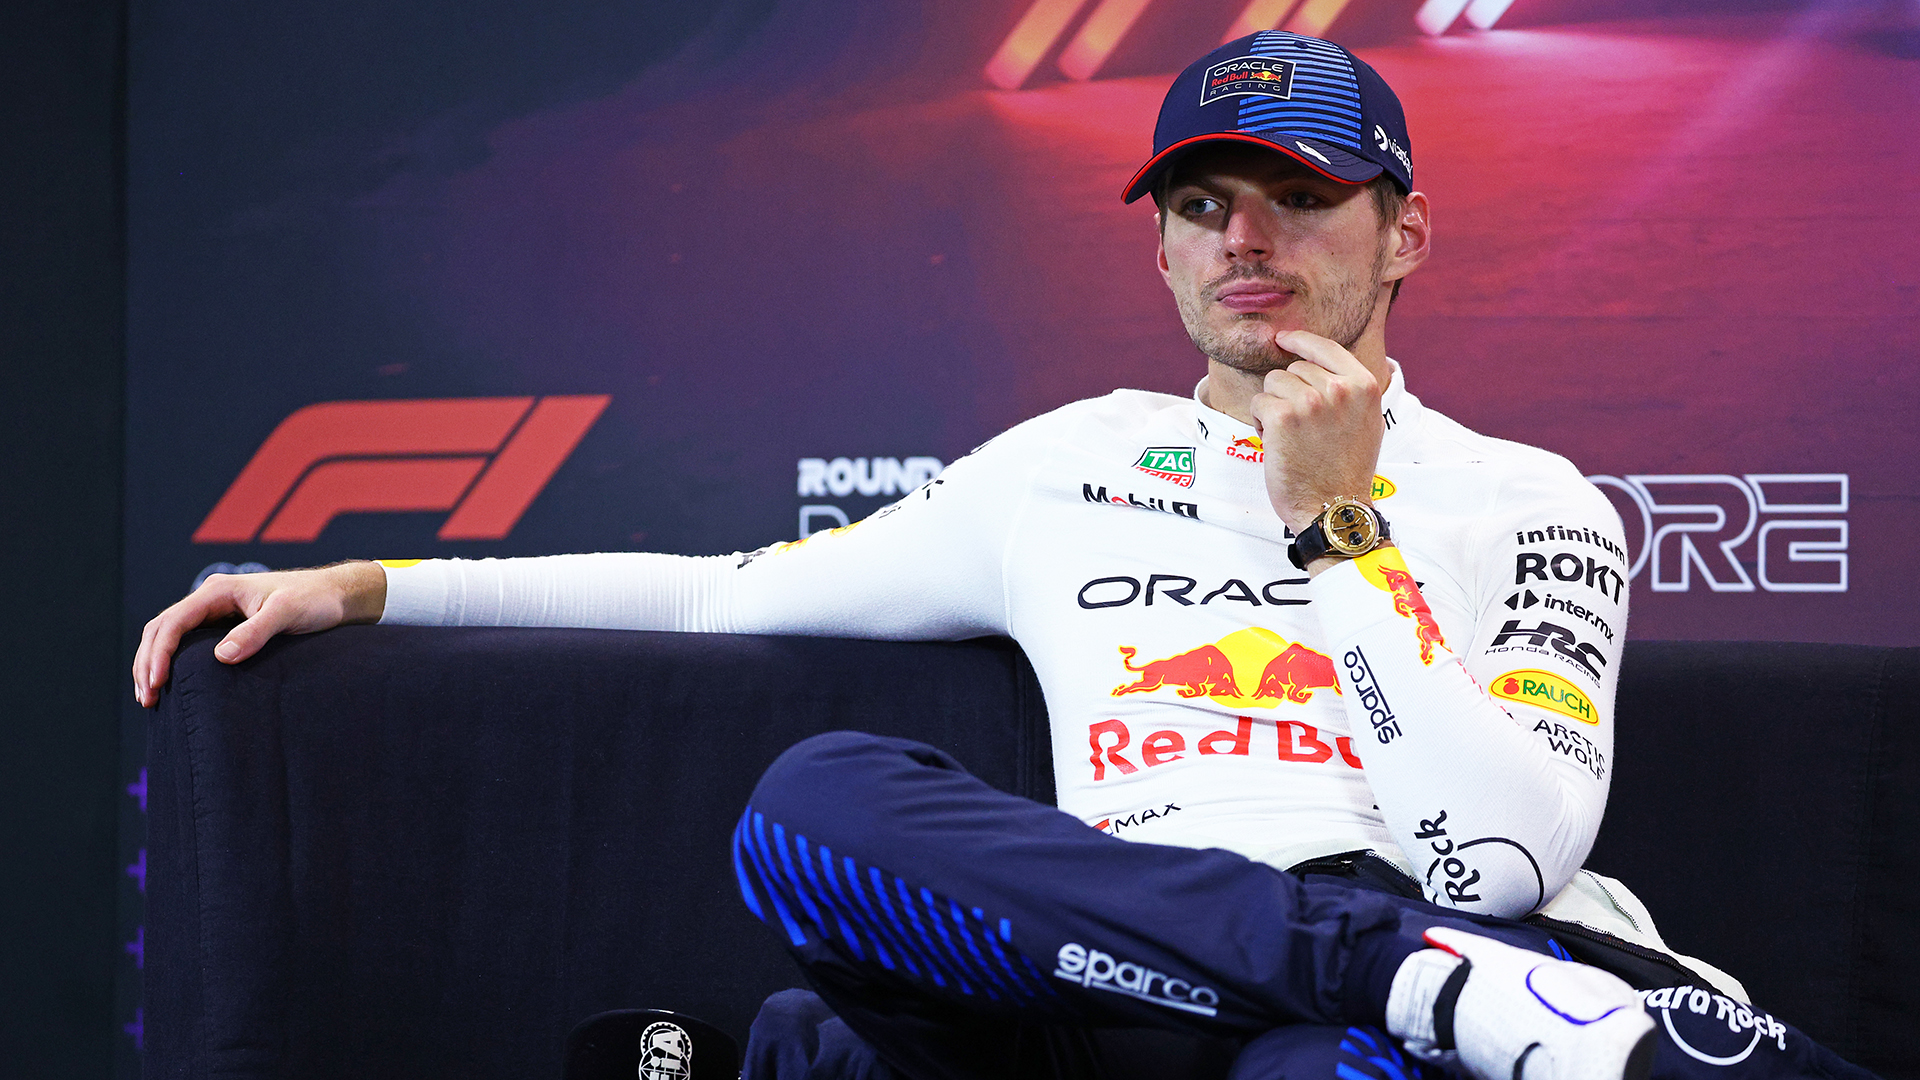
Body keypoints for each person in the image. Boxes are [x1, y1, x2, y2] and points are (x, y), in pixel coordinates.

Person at [134, 31, 1873, 1080]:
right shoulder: (1073, 462)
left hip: (1398, 957)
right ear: (1164, 253)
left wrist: (1338, 523)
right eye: (1202, 203)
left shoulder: (1533, 500)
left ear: (1404, 227)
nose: (1242, 240)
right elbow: (712, 593)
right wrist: (371, 588)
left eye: (1297, 196)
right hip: (1117, 973)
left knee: (1323, 1053)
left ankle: (1389, 989)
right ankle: (1397, 989)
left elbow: (1491, 862)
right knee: (814, 807)